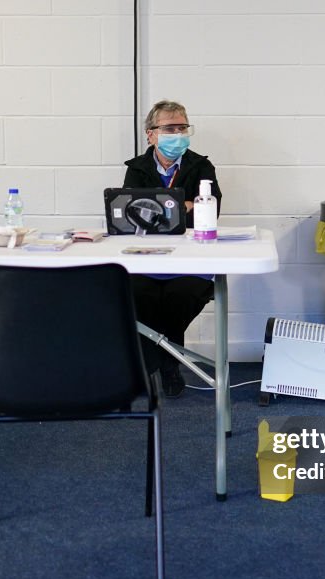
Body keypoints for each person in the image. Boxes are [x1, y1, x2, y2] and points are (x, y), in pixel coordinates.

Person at [123, 100, 222, 398]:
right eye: (169, 128)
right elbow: (132, 213)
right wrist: (184, 204)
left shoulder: (201, 166)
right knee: (138, 295)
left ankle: (158, 364)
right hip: (148, 260)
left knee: (180, 297)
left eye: (182, 128)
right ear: (150, 134)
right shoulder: (137, 169)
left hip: (191, 260)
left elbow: (211, 208)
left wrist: (162, 207)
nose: (177, 134)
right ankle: (168, 365)